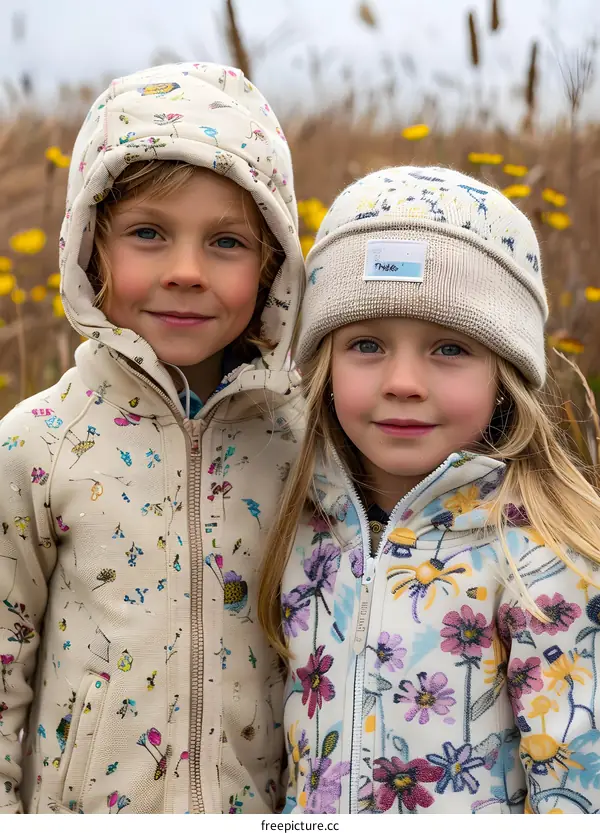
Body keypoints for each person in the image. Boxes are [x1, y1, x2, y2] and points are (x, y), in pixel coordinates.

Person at [0, 62, 305, 814]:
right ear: (90, 248)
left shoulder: (304, 444)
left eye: (227, 243)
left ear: (272, 265)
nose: (186, 272)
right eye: (148, 234)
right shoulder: (37, 443)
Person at [258, 166, 600, 814]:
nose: (405, 381)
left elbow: (578, 788)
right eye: (367, 345)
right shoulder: (298, 529)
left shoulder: (546, 558)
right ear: (324, 364)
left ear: (506, 373)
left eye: (448, 348)